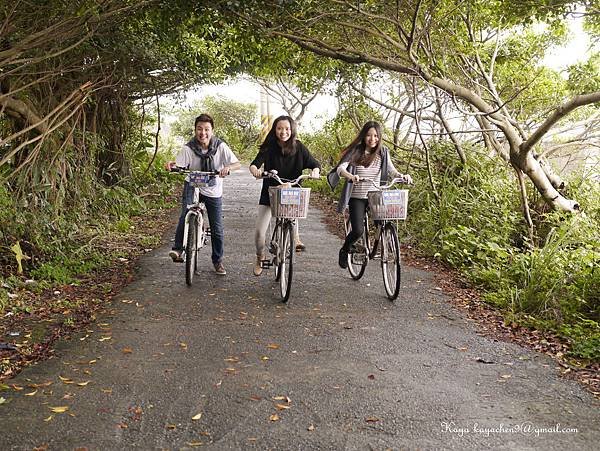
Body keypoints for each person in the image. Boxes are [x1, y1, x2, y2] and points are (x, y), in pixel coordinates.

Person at [327, 121, 412, 269]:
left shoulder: (383, 153)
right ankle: (345, 249)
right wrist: (350, 176)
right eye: (369, 135)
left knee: (383, 222)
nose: (372, 139)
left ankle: (378, 247)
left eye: (375, 136)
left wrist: (402, 176)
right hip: (357, 197)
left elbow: (392, 171)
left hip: (376, 196)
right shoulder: (355, 151)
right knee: (358, 230)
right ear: (363, 136)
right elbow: (341, 168)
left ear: (379, 137)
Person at [166, 113, 241, 275]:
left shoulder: (220, 147)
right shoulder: (188, 148)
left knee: (217, 227)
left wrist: (228, 168)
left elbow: (237, 163)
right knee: (184, 215)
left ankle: (217, 261)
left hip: (213, 189)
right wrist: (172, 166)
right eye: (199, 129)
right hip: (192, 185)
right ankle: (178, 249)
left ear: (212, 131)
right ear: (195, 130)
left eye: (207, 129)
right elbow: (178, 165)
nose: (203, 133)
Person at [249, 115, 321, 276]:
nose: (283, 132)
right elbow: (255, 163)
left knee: (293, 214)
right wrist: (256, 170)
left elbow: (314, 164)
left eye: (287, 128)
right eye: (280, 128)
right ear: (275, 130)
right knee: (260, 233)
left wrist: (315, 171)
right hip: (271, 193)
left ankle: (295, 237)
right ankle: (260, 256)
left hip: (292, 194)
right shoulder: (269, 147)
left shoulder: (299, 147)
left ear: (292, 130)